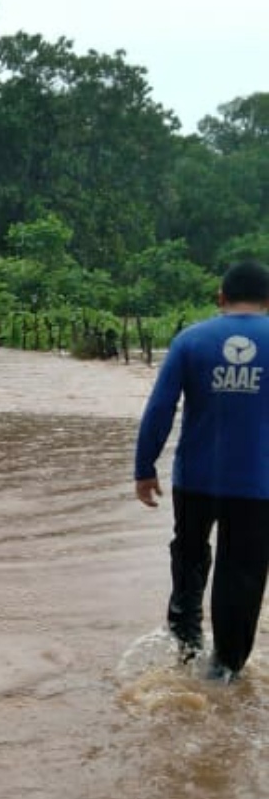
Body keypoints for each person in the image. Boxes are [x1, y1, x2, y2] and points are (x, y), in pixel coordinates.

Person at [134, 259, 269, 683]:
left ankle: (186, 637)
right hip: (257, 485)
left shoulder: (190, 340)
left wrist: (144, 467)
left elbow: (160, 408)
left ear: (221, 298)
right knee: (242, 570)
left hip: (194, 479)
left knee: (190, 553)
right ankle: (225, 667)